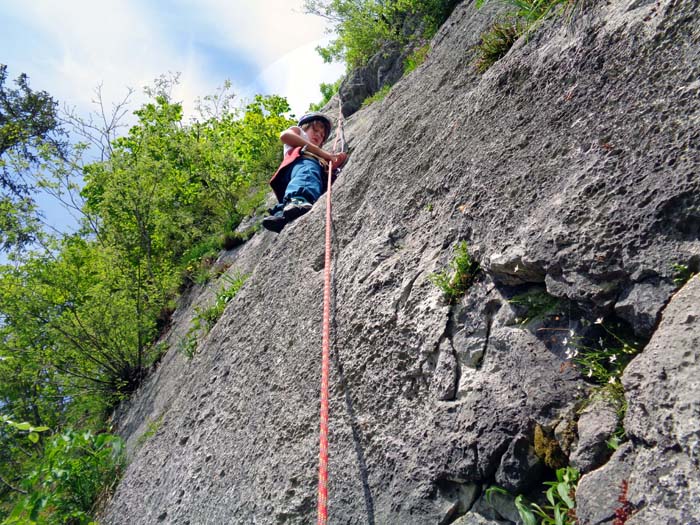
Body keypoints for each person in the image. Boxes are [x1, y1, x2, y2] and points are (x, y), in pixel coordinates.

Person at [262, 112, 347, 233]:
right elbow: (285, 136)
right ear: (304, 127)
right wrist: (325, 154)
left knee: (310, 177)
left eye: (322, 135)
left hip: (292, 181)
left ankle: (281, 215)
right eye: (315, 130)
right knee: (308, 173)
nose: (319, 135)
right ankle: (299, 199)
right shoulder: (299, 133)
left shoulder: (318, 156)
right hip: (300, 165)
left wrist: (337, 161)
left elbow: (324, 171)